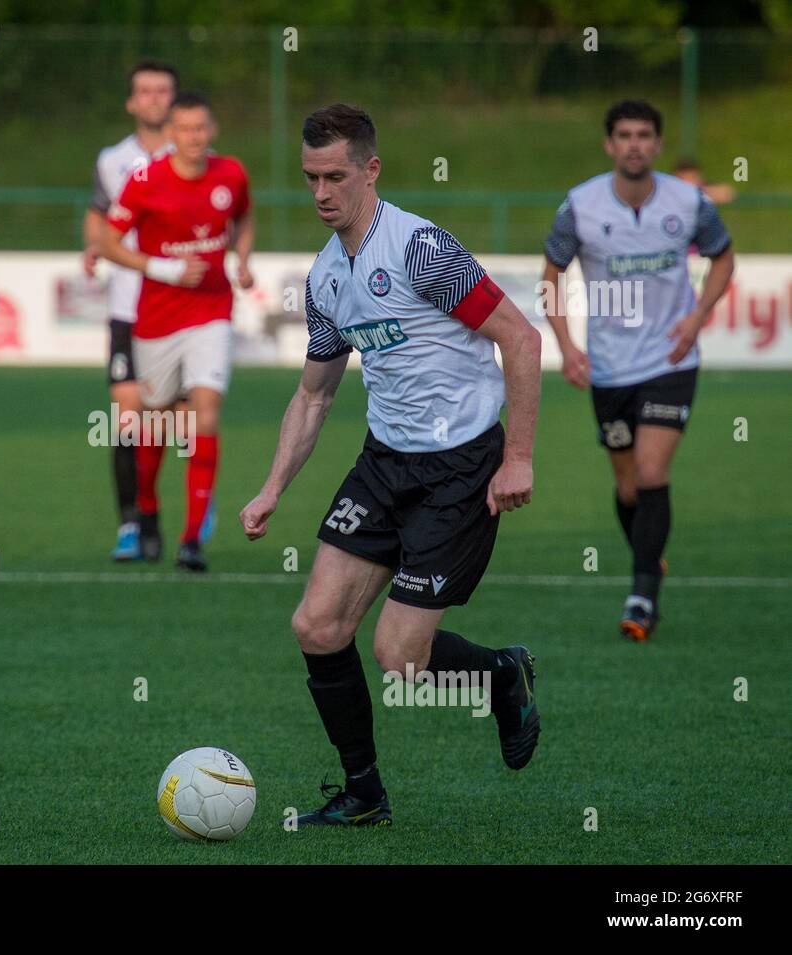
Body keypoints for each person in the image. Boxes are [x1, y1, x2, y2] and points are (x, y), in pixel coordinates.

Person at [239, 104, 542, 827]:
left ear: (370, 170)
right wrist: (272, 487)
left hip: (461, 467)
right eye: (311, 178)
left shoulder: (421, 251)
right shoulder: (323, 279)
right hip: (384, 462)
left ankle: (502, 674)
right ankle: (364, 792)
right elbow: (314, 395)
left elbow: (522, 339)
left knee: (402, 658)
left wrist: (519, 456)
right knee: (316, 625)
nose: (321, 193)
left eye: (336, 176)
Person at [542, 100, 735, 641]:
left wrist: (697, 318)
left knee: (652, 473)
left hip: (670, 361)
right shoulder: (578, 206)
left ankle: (642, 593)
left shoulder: (689, 201)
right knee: (628, 488)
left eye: (644, 135)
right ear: (610, 144)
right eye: (624, 134)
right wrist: (567, 346)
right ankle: (651, 555)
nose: (634, 144)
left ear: (657, 144)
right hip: (608, 366)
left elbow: (723, 257)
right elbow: (551, 274)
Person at [98, 91, 254, 572]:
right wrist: (161, 269)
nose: (193, 137)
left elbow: (243, 216)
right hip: (157, 321)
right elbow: (107, 241)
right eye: (184, 129)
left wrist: (242, 260)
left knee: (204, 414)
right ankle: (147, 508)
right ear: (170, 134)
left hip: (211, 312)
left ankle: (192, 540)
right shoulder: (145, 181)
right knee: (157, 422)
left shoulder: (231, 173)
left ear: (213, 130)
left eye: (201, 128)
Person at [83, 60, 178, 561]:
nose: (154, 99)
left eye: (163, 91)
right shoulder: (111, 159)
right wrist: (92, 246)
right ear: (131, 102)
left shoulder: (188, 158)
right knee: (126, 418)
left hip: (175, 310)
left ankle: (156, 516)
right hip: (126, 308)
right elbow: (98, 214)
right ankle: (130, 525)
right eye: (145, 91)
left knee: (166, 423)